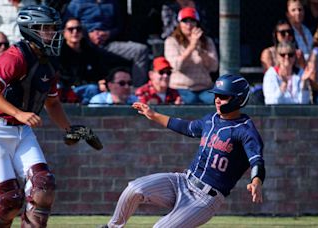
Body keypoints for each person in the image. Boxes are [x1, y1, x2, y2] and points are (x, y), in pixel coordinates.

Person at [102, 74, 265, 228]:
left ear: (238, 99)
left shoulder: (245, 130)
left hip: (206, 199)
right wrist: (153, 115)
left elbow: (256, 160)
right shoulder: (211, 119)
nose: (217, 100)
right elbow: (186, 127)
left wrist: (256, 180)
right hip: (183, 181)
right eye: (216, 95)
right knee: (134, 189)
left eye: (223, 96)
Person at [0, 5, 79, 227]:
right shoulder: (15, 56)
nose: (53, 34)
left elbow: (52, 102)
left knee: (44, 186)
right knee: (9, 200)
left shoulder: (49, 61)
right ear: (31, 30)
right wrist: (18, 113)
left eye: (54, 28)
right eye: (46, 29)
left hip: (22, 132)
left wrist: (69, 129)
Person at [64, 0, 150, 88]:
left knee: (140, 50)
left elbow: (119, 26)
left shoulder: (113, 3)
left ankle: (138, 91)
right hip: (84, 44)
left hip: (108, 44)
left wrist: (108, 33)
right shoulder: (77, 3)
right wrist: (86, 34)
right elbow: (68, 26)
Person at [59, 18, 128, 104]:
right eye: (70, 29)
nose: (75, 32)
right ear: (64, 33)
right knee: (92, 89)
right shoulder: (59, 53)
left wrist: (102, 81)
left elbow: (100, 71)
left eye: (78, 29)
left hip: (88, 88)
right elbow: (64, 77)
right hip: (67, 90)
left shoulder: (89, 51)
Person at [164, 7, 218, 105]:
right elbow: (176, 66)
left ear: (197, 23)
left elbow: (213, 67)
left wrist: (200, 50)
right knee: (187, 102)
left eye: (192, 21)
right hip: (181, 88)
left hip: (204, 88)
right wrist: (191, 46)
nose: (189, 25)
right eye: (185, 21)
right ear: (179, 24)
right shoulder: (171, 41)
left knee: (220, 102)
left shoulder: (207, 41)